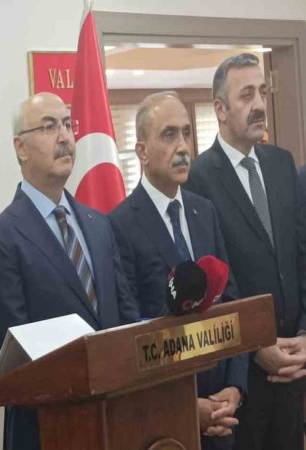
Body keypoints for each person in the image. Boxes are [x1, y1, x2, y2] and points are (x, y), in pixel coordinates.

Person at [0, 92, 139, 450]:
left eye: (67, 124)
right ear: (20, 148)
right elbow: (18, 360)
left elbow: (126, 318)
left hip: (115, 421)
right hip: (47, 430)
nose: (65, 137)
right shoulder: (2, 239)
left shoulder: (99, 225)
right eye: (49, 127)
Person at [109, 91, 247, 448]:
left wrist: (235, 387)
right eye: (169, 135)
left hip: (223, 412)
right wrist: (185, 404)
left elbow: (231, 302)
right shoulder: (119, 225)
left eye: (186, 133)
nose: (183, 146)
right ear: (141, 151)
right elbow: (130, 330)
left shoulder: (205, 212)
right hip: (163, 422)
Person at [184, 53, 306, 450]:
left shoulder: (282, 164)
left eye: (263, 92)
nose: (259, 105)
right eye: (246, 94)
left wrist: (304, 334)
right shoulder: (198, 179)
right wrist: (255, 346)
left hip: (294, 368)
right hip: (241, 381)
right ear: (220, 109)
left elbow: (300, 257)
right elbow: (213, 286)